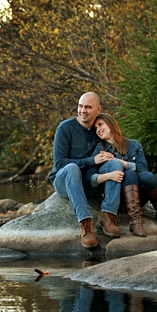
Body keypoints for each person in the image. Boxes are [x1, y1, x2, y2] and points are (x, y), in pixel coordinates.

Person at [48, 92, 122, 248]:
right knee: (72, 167)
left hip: (90, 181)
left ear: (98, 109)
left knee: (115, 164)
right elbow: (60, 163)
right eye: (80, 106)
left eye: (88, 107)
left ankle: (107, 215)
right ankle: (86, 225)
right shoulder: (65, 128)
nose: (83, 111)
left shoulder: (100, 129)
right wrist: (91, 160)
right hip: (66, 182)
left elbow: (118, 149)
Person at [90, 113, 157, 237]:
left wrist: (122, 163)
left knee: (146, 176)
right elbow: (92, 176)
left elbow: (143, 168)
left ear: (111, 124)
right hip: (119, 198)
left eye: (100, 125)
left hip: (139, 196)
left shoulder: (134, 145)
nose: (98, 130)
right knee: (129, 175)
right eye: (95, 128)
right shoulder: (99, 150)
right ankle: (135, 222)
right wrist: (107, 166)